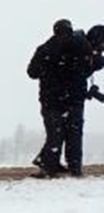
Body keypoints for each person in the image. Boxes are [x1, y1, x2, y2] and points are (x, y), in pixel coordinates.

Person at [27, 19, 95, 177]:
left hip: (52, 99)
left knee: (55, 133)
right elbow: (91, 66)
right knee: (74, 134)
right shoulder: (82, 46)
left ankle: (49, 168)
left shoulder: (45, 49)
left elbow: (31, 72)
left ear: (55, 31)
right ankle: (75, 168)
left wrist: (48, 68)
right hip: (75, 99)